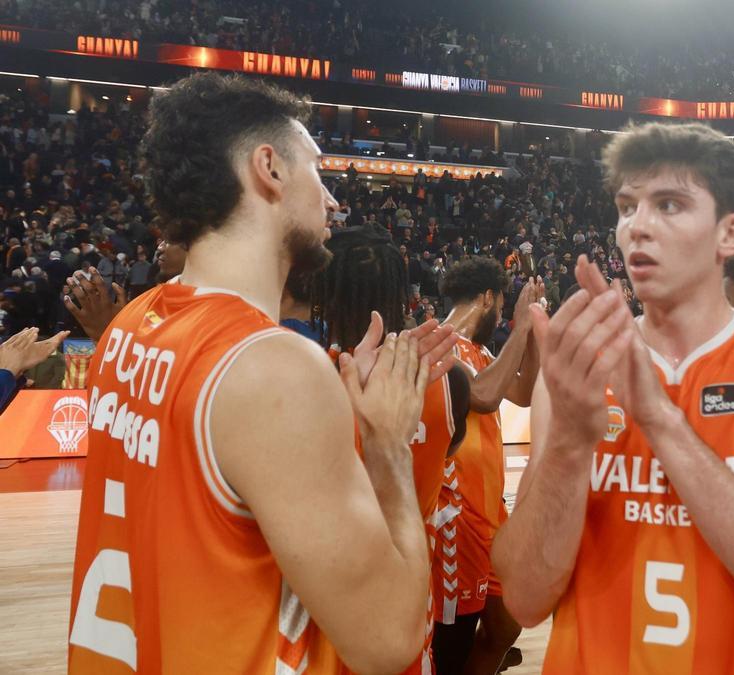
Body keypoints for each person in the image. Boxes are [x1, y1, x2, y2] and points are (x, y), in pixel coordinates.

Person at [68, 72, 457, 674]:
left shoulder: (131, 323)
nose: (333, 199)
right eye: (318, 171)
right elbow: (389, 641)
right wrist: (387, 444)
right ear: (269, 169)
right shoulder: (270, 366)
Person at [493, 121, 734, 673]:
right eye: (626, 207)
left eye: (668, 205)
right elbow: (524, 598)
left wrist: (661, 421)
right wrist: (571, 444)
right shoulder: (577, 371)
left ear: (730, 234)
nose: (637, 226)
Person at [311, 225, 473, 675]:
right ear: (403, 294)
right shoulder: (450, 380)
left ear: (327, 297)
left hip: (332, 591)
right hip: (409, 580)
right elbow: (446, 454)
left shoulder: (314, 378)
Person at [432, 257, 542, 675]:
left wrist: (528, 329)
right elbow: (482, 395)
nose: (501, 315)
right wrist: (520, 326)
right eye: (502, 306)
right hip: (457, 517)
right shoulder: (440, 341)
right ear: (488, 298)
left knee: (506, 623)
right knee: (454, 643)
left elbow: (526, 391)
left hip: (491, 515)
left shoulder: (480, 351)